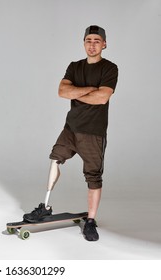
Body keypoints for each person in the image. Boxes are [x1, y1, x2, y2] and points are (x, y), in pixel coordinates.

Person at [23, 25, 118, 241]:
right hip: (71, 128)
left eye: (96, 40)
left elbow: (102, 98)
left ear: (104, 44)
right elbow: (62, 91)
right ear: (83, 43)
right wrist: (91, 89)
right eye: (88, 40)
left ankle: (91, 222)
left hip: (94, 132)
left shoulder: (110, 68)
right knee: (55, 159)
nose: (92, 44)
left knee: (93, 177)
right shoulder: (74, 67)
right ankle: (45, 206)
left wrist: (77, 93)